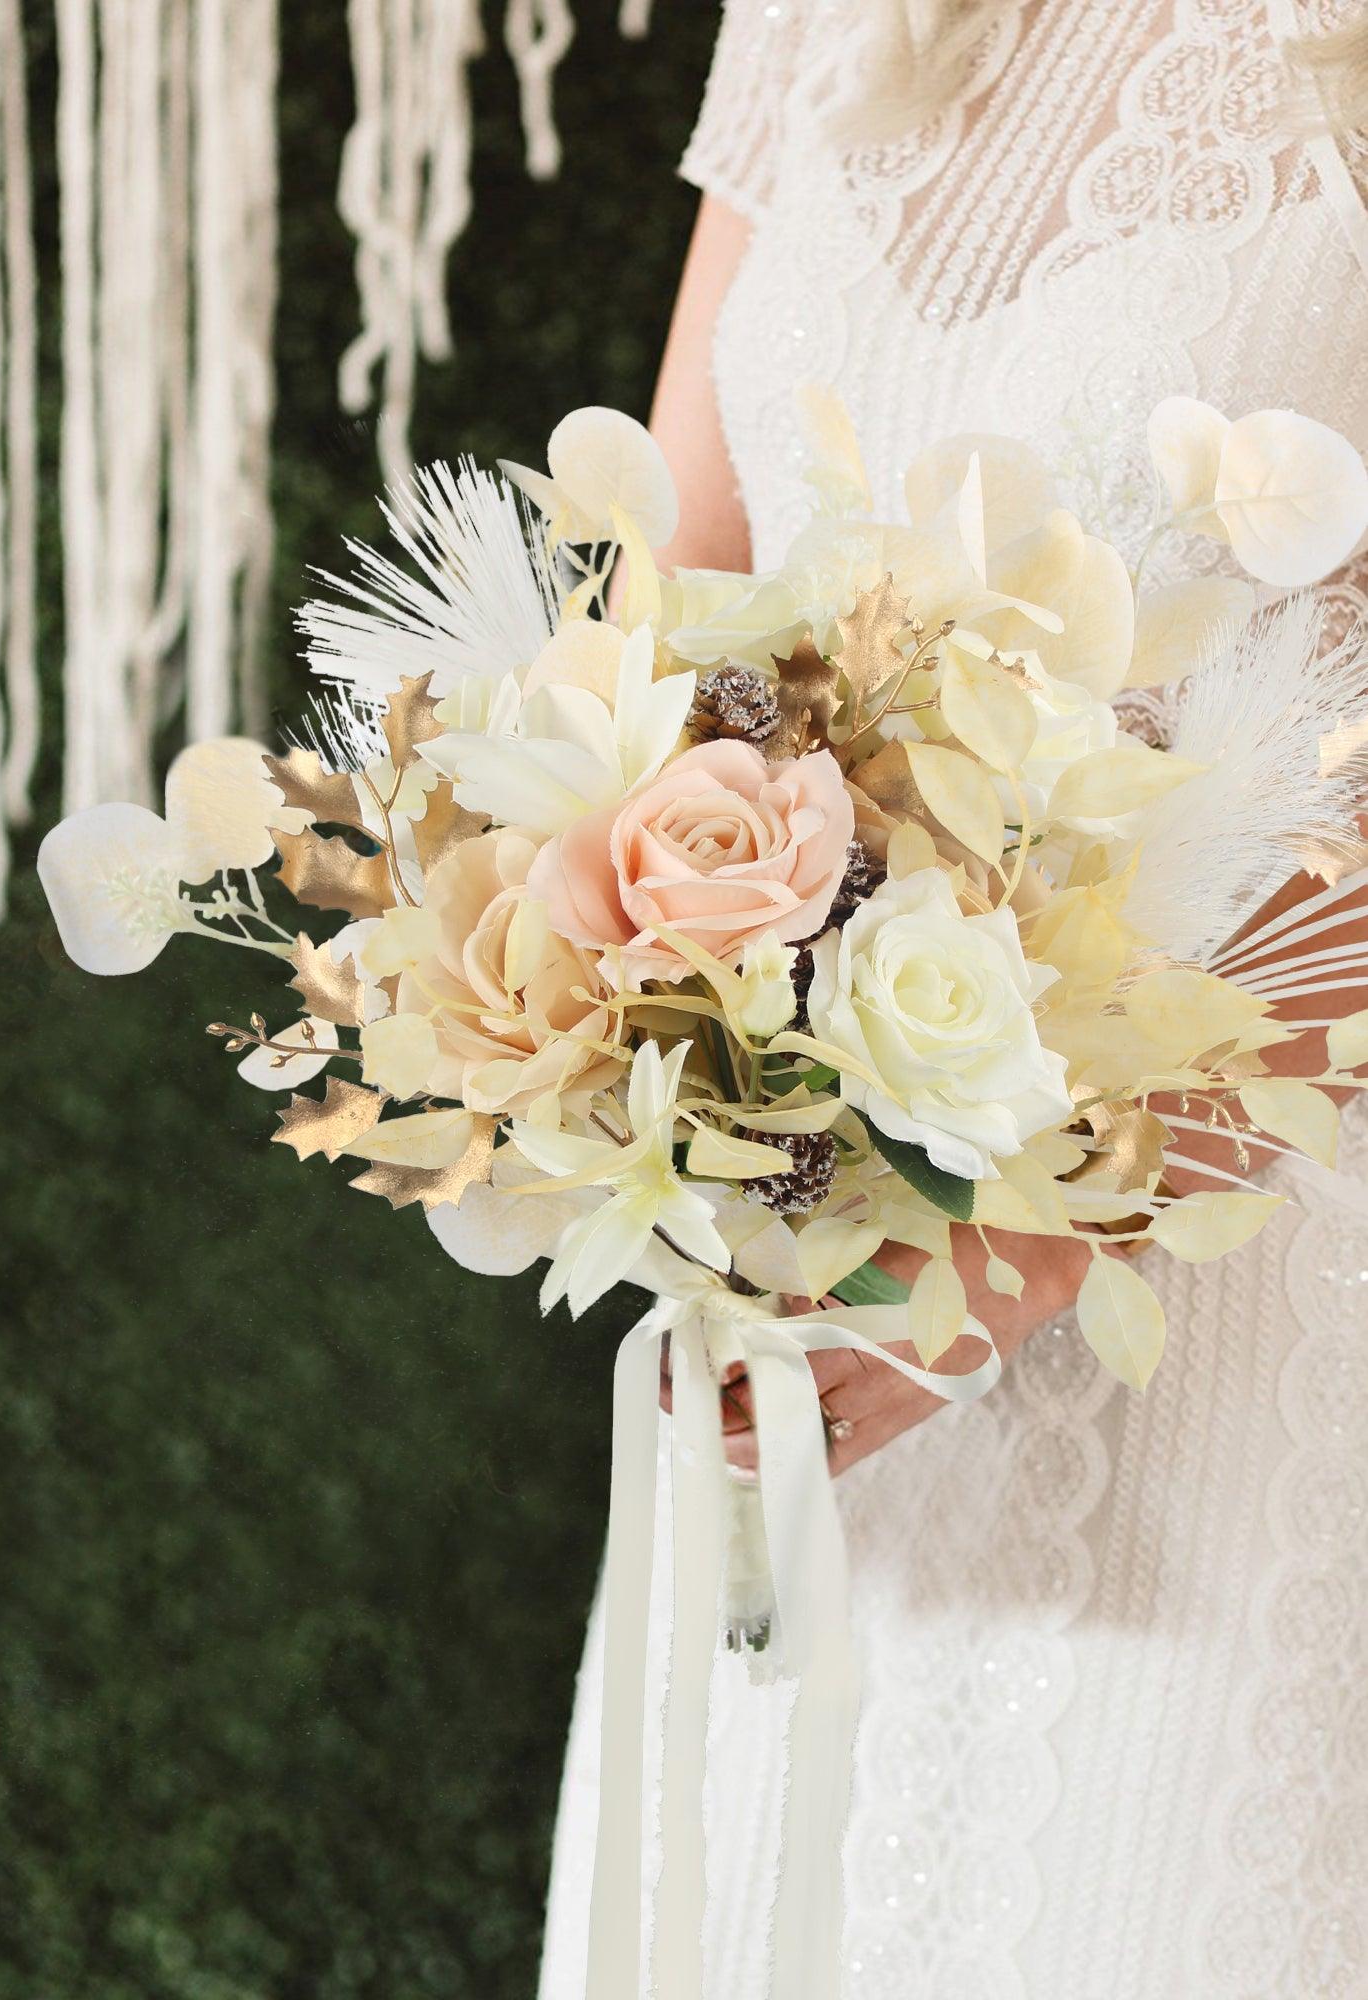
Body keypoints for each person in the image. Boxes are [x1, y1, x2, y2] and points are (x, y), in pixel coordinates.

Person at [539, 4, 1368, 1995]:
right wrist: (635, 1029)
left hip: (1240, 1243)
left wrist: (1037, 1229)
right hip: (808, 1262)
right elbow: (676, 574)